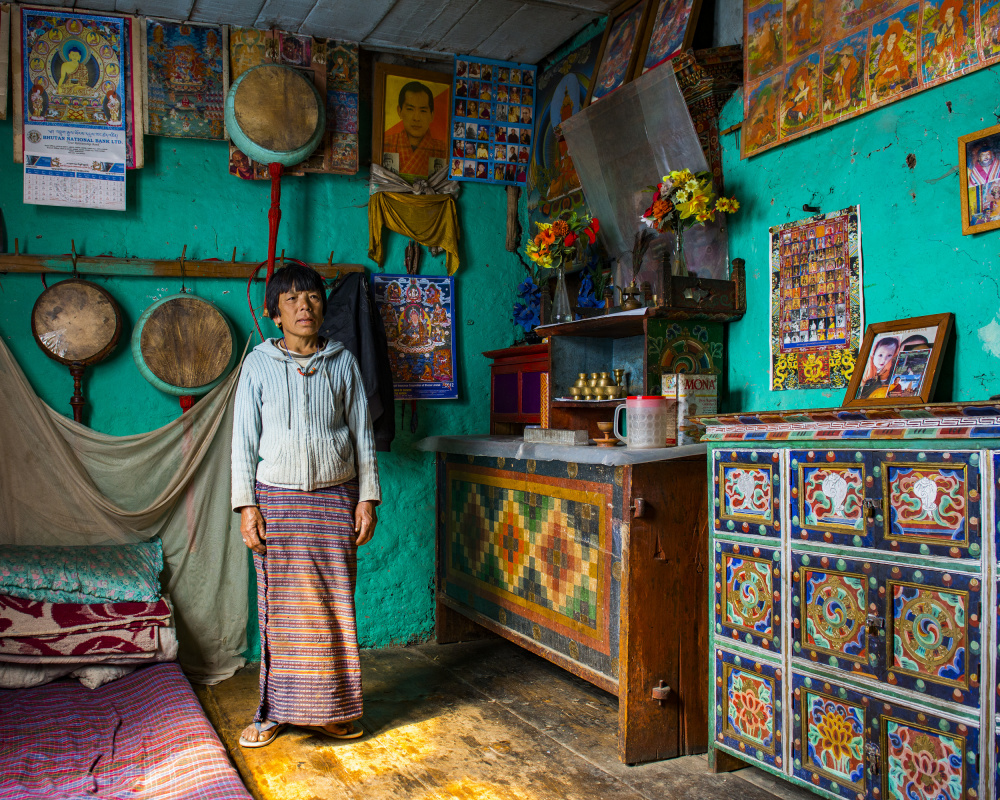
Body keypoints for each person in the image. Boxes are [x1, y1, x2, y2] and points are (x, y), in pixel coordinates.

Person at [232, 265, 381, 748]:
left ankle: (332, 710)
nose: (304, 307)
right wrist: (246, 507)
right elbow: (242, 441)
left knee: (334, 609)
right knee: (281, 611)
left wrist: (367, 498)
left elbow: (363, 435)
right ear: (275, 314)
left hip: (335, 500)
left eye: (312, 297)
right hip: (277, 501)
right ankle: (274, 711)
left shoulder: (343, 361)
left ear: (322, 306)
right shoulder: (257, 365)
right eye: (292, 300)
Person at [382, 81, 447, 179]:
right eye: (410, 109)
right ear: (399, 111)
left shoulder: (443, 149)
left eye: (423, 111)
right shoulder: (386, 143)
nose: (416, 118)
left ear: (432, 115)